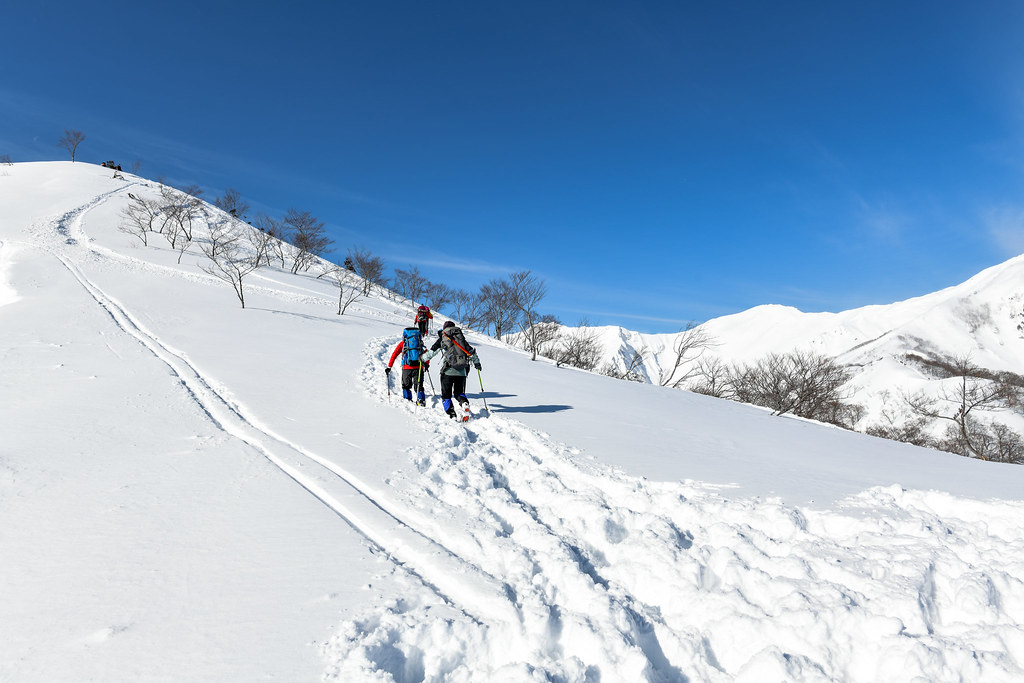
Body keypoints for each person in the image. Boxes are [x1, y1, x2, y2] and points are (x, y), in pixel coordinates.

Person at [421, 321, 481, 420]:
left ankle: (451, 413)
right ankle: (464, 403)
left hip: (448, 370)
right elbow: (471, 352)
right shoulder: (460, 338)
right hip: (461, 371)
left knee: (446, 395)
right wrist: (477, 363)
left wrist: (422, 358)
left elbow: (432, 353)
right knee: (459, 392)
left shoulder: (443, 337)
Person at [385, 326, 429, 406]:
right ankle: (421, 400)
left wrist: (389, 366)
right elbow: (426, 353)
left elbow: (394, 354)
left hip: (406, 367)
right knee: (419, 385)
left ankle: (407, 401)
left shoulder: (403, 343)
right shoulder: (419, 343)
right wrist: (426, 364)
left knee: (406, 385)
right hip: (419, 367)